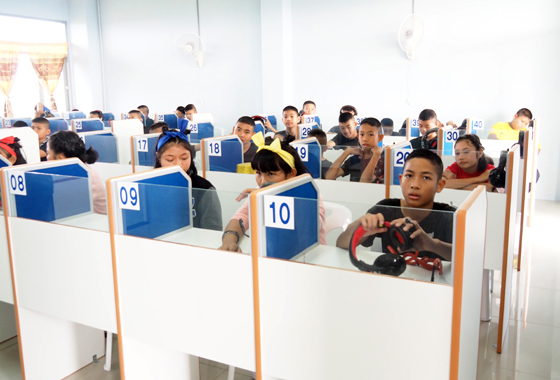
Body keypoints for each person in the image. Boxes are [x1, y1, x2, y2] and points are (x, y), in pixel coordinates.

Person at [337, 149, 455, 262]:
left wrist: (433, 245)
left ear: (439, 185)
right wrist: (359, 224)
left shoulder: (450, 217)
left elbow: (466, 258)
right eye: (409, 176)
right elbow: (341, 244)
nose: (415, 185)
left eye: (426, 177)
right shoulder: (385, 209)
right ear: (401, 180)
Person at [219, 132, 326, 252]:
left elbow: (308, 230)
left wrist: (274, 196)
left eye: (271, 174)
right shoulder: (261, 191)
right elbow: (241, 217)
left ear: (291, 173)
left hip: (309, 255)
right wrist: (229, 241)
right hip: (273, 253)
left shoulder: (310, 194)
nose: (263, 181)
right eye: (258, 173)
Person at [154, 127, 222, 231]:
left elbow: (213, 230)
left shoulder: (204, 188)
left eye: (184, 158)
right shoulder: (149, 185)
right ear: (158, 157)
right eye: (170, 159)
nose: (178, 164)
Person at [47, 130, 106, 214]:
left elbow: (65, 207)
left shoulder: (85, 175)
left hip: (96, 223)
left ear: (61, 158)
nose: (47, 158)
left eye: (48, 153)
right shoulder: (75, 170)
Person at [325, 117, 384, 183]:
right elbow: (329, 177)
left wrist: (376, 155)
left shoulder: (384, 159)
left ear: (380, 137)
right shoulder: (355, 159)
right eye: (362, 134)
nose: (365, 139)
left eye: (370, 134)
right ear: (358, 137)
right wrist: (347, 152)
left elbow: (364, 183)